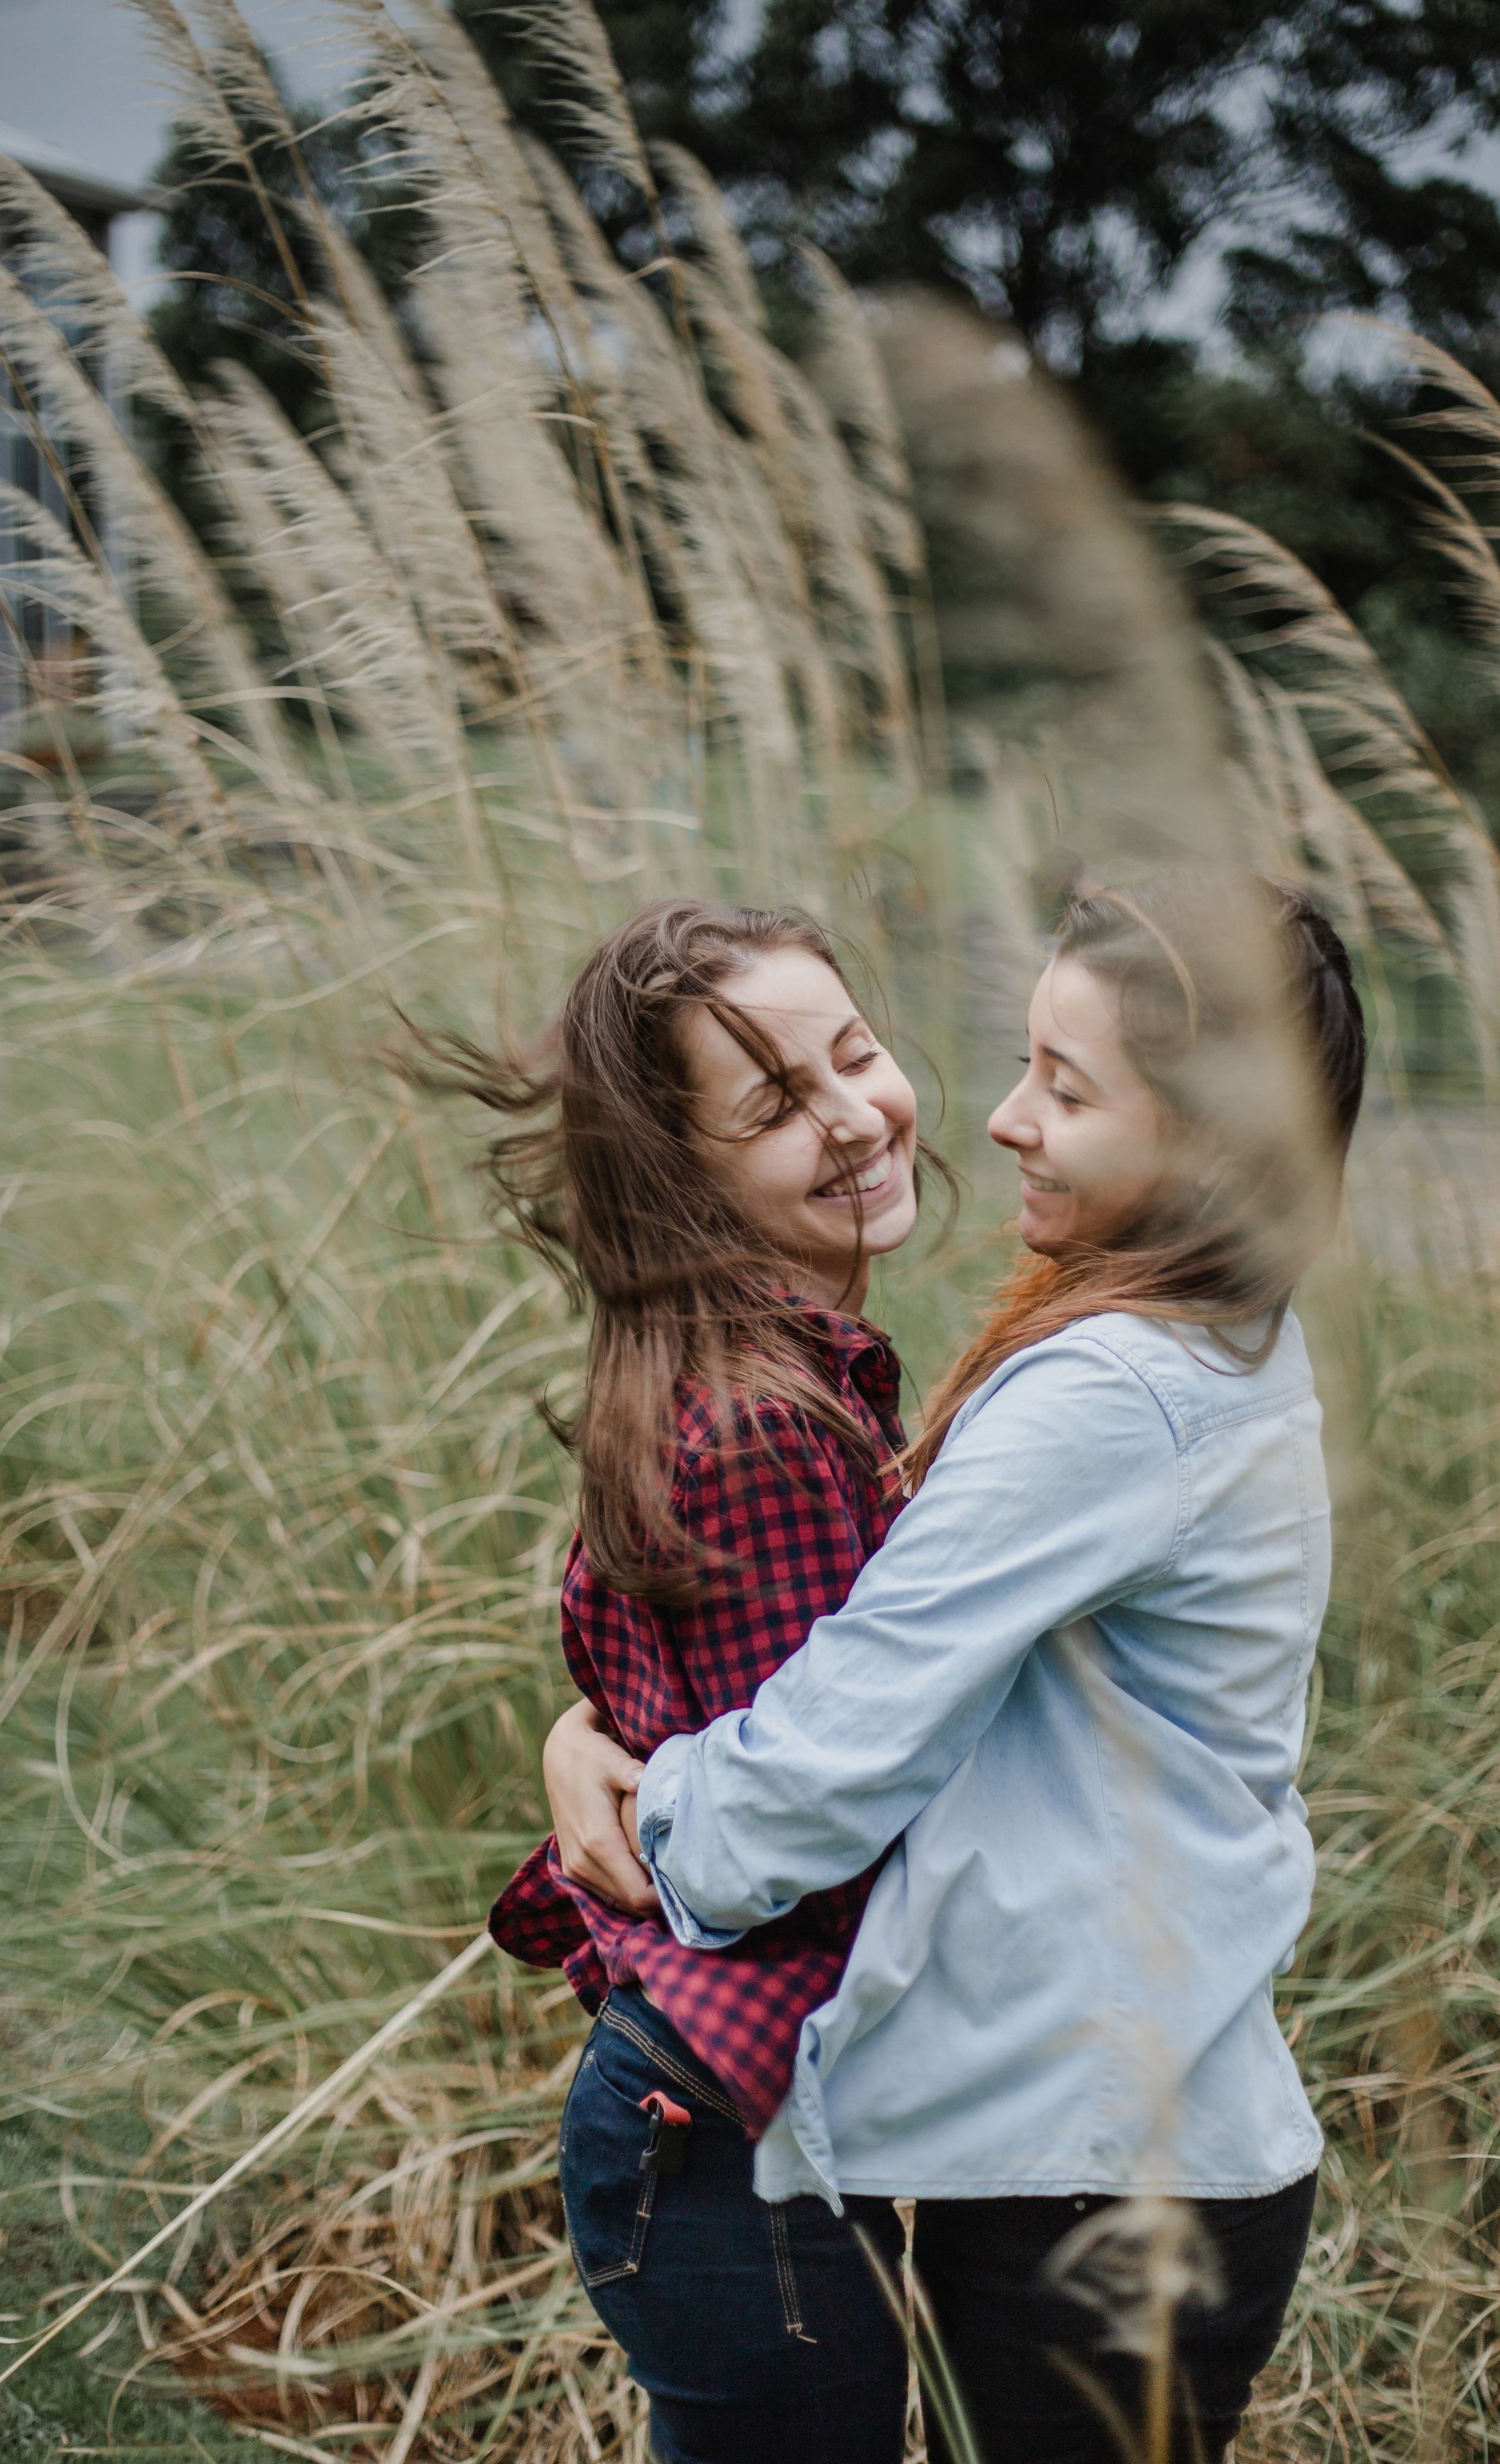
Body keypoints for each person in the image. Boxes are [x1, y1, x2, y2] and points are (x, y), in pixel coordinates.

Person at [545, 870, 1368, 2464]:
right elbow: (843, 1663)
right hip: (1098, 2131)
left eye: (1063, 1087)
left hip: (1120, 2162)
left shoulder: (1112, 1396)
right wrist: (593, 1732)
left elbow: (813, 1772)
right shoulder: (1185, 1338)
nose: (997, 1119)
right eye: (1019, 1062)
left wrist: (633, 1825)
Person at [404, 898, 952, 2462]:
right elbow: (812, 1798)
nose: (854, 1114)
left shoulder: (742, 1369)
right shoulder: (770, 1418)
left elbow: (706, 1716)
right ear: (681, 1172)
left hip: (706, 2121)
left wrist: (582, 1739)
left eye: (855, 1054)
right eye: (779, 1104)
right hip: (714, 2136)